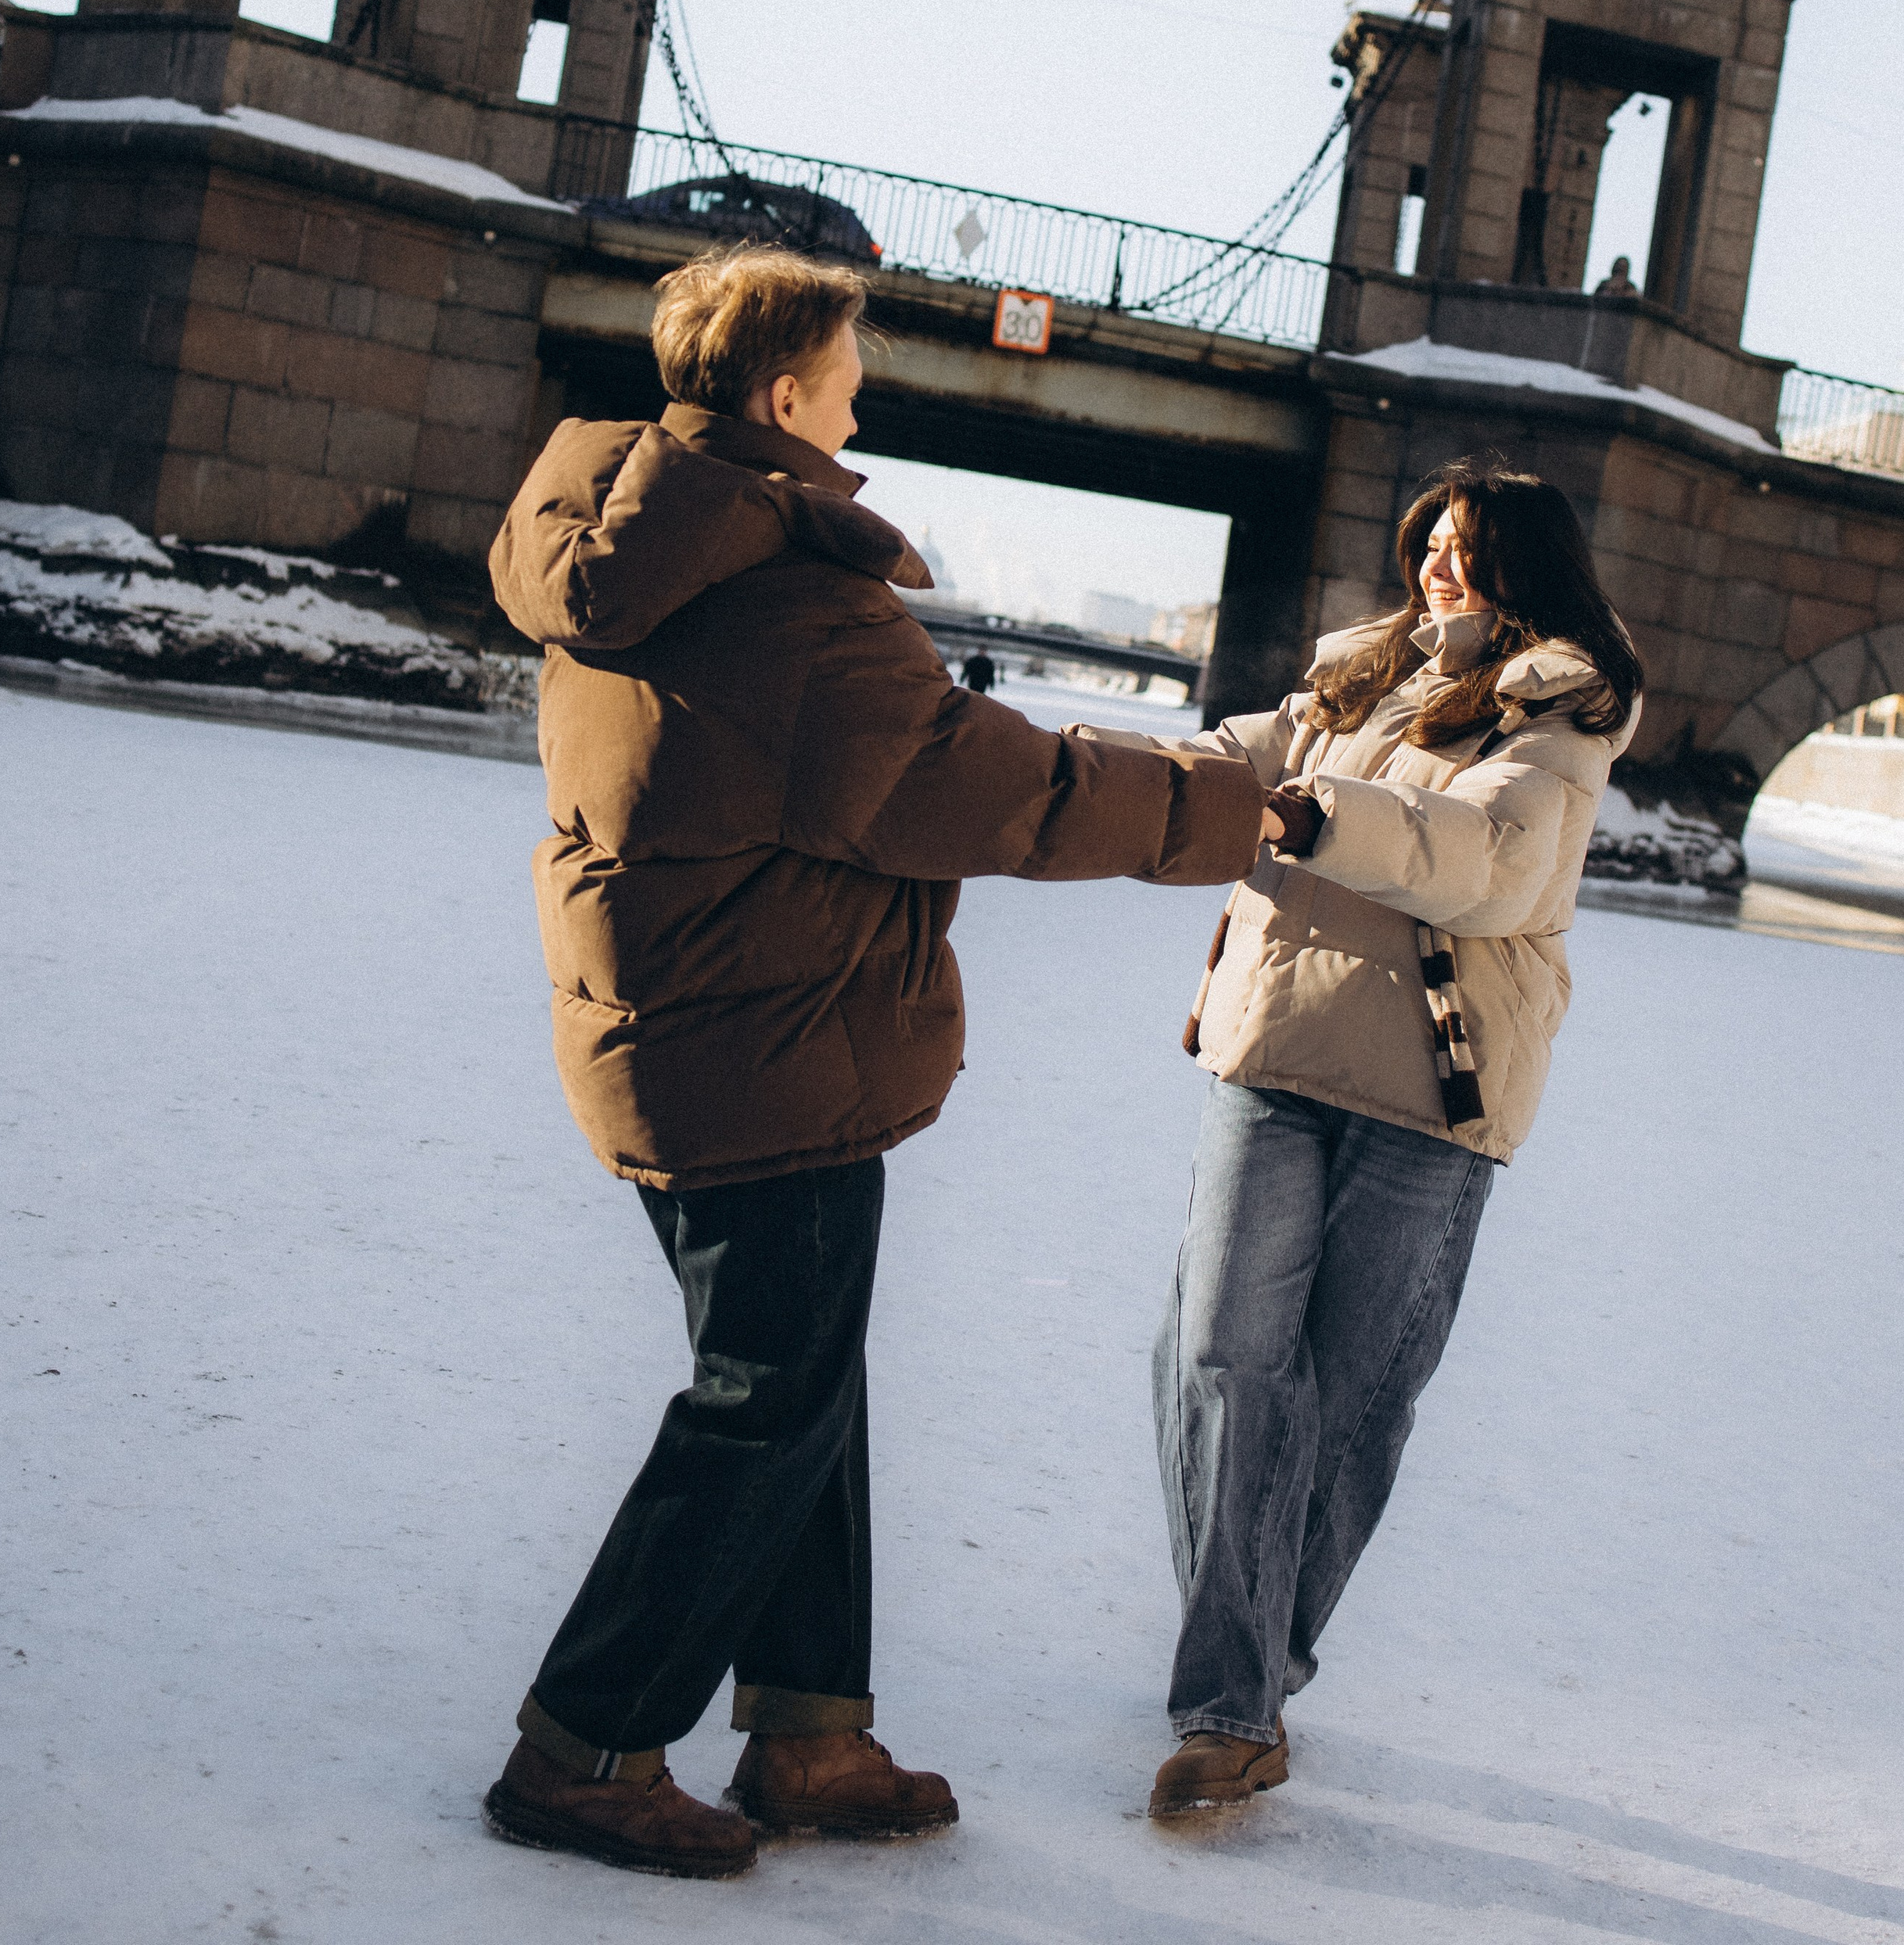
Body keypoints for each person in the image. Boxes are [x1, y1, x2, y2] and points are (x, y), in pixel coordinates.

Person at [481, 245, 1263, 1879]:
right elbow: (992, 788)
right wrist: (1245, 809)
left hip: (696, 1025)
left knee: (799, 1389)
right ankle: (586, 1742)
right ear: (785, 395)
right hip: (768, 1045)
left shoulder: (640, 541)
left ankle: (808, 1729)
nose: (862, 395)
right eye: (848, 370)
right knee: (762, 1402)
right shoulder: (784, 599)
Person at [1146, 461, 1641, 1818]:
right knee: (1221, 1356)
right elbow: (1236, 758)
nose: (1442, 568)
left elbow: (1482, 861)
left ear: (1529, 567)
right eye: (1431, 541)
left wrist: (1311, 817)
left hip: (1436, 1091)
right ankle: (1234, 1698)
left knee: (1354, 1398)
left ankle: (1252, 1674)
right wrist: (1092, 777)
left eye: (1472, 549)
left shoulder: (1562, 715)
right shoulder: (1356, 680)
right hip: (1276, 1050)